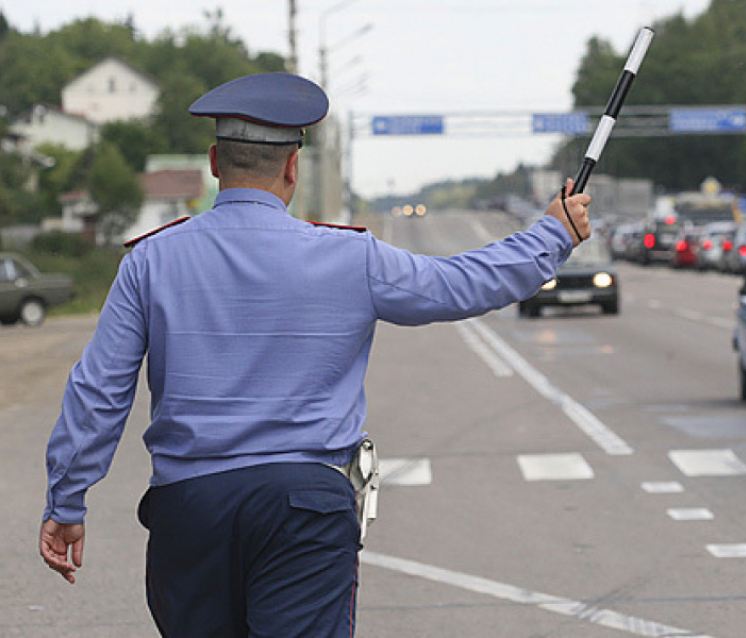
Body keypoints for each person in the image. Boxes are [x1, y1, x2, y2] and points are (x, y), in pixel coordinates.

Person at [39, 72, 590, 637]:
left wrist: (67, 499)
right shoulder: (350, 257)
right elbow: (460, 285)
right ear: (292, 167)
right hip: (305, 509)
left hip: (190, 511)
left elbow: (98, 389)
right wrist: (553, 234)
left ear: (215, 162)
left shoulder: (150, 262)